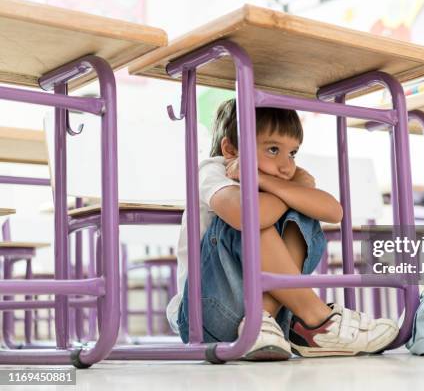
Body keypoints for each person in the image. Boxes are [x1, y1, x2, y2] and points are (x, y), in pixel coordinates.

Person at [169, 98, 399, 360]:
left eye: (292, 153)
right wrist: (293, 191)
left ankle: (262, 320)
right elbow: (246, 217)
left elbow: (334, 212)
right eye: (273, 149)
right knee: (255, 214)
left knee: (301, 212)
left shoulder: (272, 176)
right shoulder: (214, 170)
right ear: (231, 149)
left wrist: (267, 181)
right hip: (206, 315)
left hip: (271, 324)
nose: (286, 165)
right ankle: (317, 319)